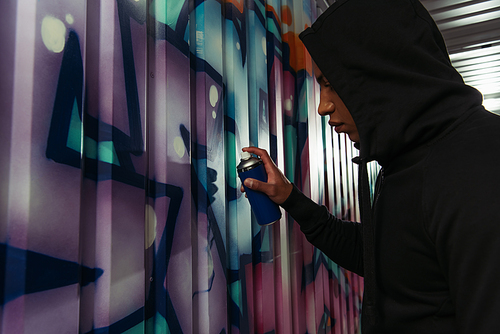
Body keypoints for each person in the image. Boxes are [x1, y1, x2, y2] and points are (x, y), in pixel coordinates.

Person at [241, 0, 500, 332]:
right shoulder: (409, 159)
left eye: (332, 84)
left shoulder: (478, 167)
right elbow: (384, 259)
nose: (323, 106)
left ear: (382, 71)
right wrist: (290, 197)